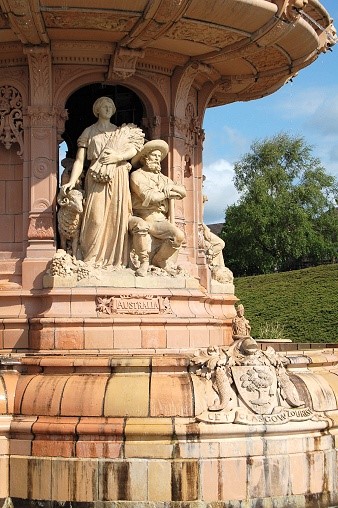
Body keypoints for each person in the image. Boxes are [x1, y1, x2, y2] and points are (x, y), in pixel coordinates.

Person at [61, 96, 144, 267]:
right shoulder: (89, 132)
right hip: (96, 177)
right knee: (95, 218)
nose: (107, 109)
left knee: (116, 219)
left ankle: (115, 262)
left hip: (118, 175)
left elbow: (134, 149)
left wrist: (118, 157)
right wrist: (71, 181)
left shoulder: (119, 132)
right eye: (104, 106)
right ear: (97, 110)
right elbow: (79, 160)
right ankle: (89, 258)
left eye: (110, 106)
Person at [129, 140, 186, 276]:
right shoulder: (137, 175)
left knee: (179, 236)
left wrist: (171, 187)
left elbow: (183, 192)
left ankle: (160, 260)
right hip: (144, 216)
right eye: (154, 156)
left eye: (159, 157)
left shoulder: (163, 179)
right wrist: (167, 193)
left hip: (160, 219)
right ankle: (144, 262)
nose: (157, 159)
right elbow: (150, 197)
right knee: (141, 226)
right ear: (145, 158)